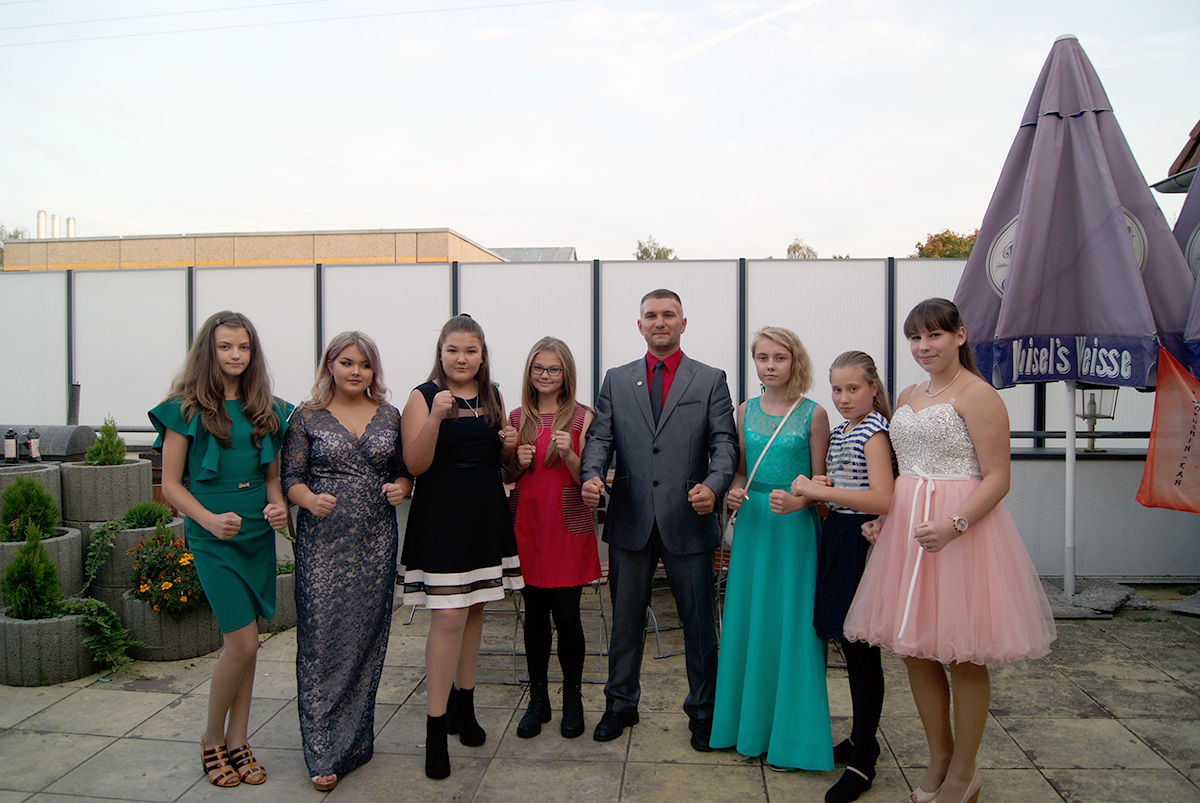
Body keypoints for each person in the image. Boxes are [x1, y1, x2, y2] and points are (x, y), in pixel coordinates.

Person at [843, 299, 1056, 803]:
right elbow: (904, 471)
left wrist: (955, 525)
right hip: (909, 533)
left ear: (960, 335)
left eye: (934, 335)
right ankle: (939, 758)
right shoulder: (909, 393)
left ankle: (964, 773)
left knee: (963, 655)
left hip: (962, 533)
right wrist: (887, 519)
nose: (923, 347)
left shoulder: (980, 394)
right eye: (915, 338)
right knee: (914, 651)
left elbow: (998, 477)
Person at [580, 289, 738, 751]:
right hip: (630, 518)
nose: (660, 322)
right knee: (625, 623)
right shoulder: (616, 380)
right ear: (640, 325)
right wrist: (591, 475)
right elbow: (600, 439)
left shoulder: (709, 379)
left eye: (669, 315)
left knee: (699, 625)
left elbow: (724, 444)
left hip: (689, 517)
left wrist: (714, 486)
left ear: (683, 323)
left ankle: (704, 712)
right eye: (651, 315)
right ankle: (619, 705)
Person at [149, 311, 292, 789]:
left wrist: (278, 508)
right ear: (208, 351)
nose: (235, 355)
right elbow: (171, 485)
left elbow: (272, 479)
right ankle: (212, 738)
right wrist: (208, 519)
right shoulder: (184, 409)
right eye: (225, 346)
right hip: (213, 538)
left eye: (243, 347)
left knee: (248, 646)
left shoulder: (267, 408)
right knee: (243, 642)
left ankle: (239, 740)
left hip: (256, 535)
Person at [281, 332, 412, 792]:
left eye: (365, 364)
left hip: (375, 542)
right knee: (322, 642)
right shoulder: (306, 416)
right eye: (347, 362)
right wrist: (308, 499)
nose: (356, 371)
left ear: (374, 370)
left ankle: (354, 742)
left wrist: (403, 488)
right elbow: (290, 476)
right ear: (330, 366)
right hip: (323, 544)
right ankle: (322, 750)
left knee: (366, 639)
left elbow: (404, 469)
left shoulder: (390, 415)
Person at [400, 314, 524, 780]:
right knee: (448, 617)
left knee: (474, 612)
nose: (462, 358)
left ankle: (463, 707)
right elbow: (415, 464)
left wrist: (509, 446)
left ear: (482, 355)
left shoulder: (492, 396)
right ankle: (435, 728)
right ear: (441, 352)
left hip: (485, 513)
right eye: (453, 350)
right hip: (442, 517)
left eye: (471, 351)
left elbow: (504, 465)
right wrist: (435, 417)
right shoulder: (423, 396)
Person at [709, 326, 832, 770]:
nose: (770, 366)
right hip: (754, 526)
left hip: (794, 528)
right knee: (749, 623)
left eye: (779, 358)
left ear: (795, 361)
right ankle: (747, 730)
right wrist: (733, 491)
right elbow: (741, 471)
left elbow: (822, 483)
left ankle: (792, 740)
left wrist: (800, 500)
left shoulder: (814, 414)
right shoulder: (744, 410)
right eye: (762, 358)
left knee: (792, 627)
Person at [790, 351, 895, 802]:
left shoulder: (874, 432)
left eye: (853, 388)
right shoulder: (840, 431)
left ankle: (864, 758)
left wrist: (816, 489)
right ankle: (860, 738)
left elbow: (883, 499)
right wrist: (812, 493)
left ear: (873, 388)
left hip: (859, 540)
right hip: (837, 534)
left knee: (862, 648)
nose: (844, 397)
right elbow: (837, 489)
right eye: (837, 389)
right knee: (848, 644)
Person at [506, 337, 601, 739]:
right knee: (534, 617)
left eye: (553, 369)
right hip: (527, 524)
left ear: (566, 374)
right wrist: (515, 460)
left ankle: (572, 699)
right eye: (538, 368)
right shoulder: (516, 418)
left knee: (568, 616)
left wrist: (570, 454)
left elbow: (587, 476)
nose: (545, 375)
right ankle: (538, 699)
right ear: (529, 372)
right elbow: (508, 475)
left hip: (566, 525)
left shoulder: (582, 417)